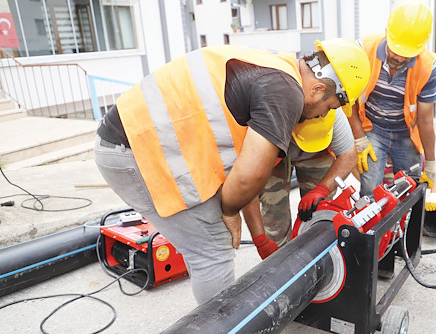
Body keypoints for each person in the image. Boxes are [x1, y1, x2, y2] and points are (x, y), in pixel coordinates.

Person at [93, 39, 370, 305]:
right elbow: (249, 177)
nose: (324, 115)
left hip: (139, 140)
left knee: (203, 244)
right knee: (213, 250)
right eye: (329, 107)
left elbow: (243, 173)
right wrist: (230, 212)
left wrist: (319, 190)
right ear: (318, 90)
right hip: (135, 148)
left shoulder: (279, 66)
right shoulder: (286, 91)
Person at [348, 0, 436, 212]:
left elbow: (426, 120)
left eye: (406, 53)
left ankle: (405, 237)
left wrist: (431, 163)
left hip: (405, 133)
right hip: (373, 128)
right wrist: (359, 138)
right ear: (387, 33)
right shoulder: (363, 50)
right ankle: (374, 238)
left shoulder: (428, 67)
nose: (398, 57)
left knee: (410, 188)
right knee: (370, 188)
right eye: (395, 49)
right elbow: (350, 100)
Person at [242, 108, 357, 259]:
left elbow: (349, 156)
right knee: (274, 212)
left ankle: (318, 256)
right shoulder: (269, 118)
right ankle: (280, 263)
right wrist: (260, 239)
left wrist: (321, 190)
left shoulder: (333, 112)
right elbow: (246, 187)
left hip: (318, 151)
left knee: (320, 211)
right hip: (276, 147)